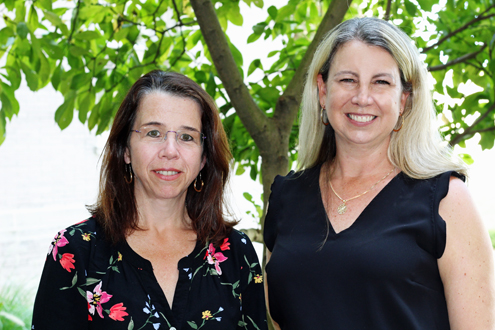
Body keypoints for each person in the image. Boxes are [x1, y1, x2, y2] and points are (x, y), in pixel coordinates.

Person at [264, 17, 495, 330]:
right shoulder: (284, 199)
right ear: (322, 90)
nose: (362, 97)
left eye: (381, 82)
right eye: (347, 80)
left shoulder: (446, 200)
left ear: (403, 99)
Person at [32, 70, 268, 330]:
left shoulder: (236, 252)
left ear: (203, 158)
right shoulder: (74, 252)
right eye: (154, 133)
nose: (170, 151)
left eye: (186, 137)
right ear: (125, 150)